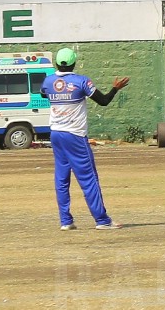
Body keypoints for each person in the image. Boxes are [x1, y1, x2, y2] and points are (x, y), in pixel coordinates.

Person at [40, 48, 127, 230]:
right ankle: (102, 220)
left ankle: (66, 221)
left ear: (56, 63)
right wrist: (115, 88)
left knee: (62, 178)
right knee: (89, 178)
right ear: (74, 63)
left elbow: (43, 93)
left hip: (56, 133)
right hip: (75, 135)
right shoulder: (81, 81)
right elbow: (103, 101)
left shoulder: (48, 81)